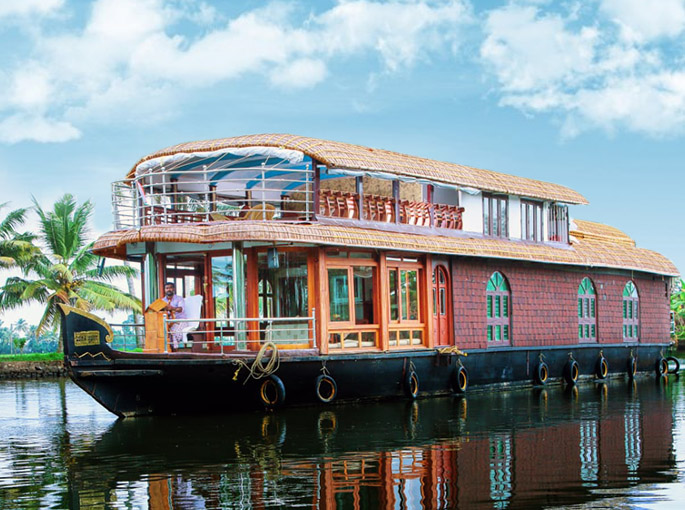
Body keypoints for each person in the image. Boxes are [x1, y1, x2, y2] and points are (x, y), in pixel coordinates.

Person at [162, 282, 186, 349]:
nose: (169, 289)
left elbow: (180, 309)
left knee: (173, 331)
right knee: (162, 331)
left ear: (173, 289)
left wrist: (171, 308)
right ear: (165, 290)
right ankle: (167, 349)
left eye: (170, 288)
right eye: (167, 288)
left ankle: (174, 349)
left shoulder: (179, 299)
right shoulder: (162, 301)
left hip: (180, 320)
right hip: (168, 321)